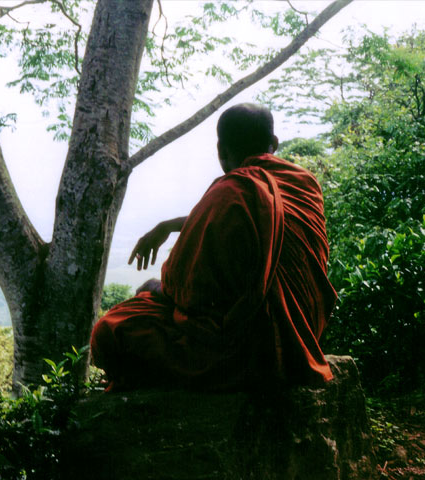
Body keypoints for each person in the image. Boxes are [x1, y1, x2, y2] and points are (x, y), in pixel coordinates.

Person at [90, 103, 336, 392]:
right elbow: (258, 213)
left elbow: (184, 291)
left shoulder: (229, 192)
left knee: (110, 328)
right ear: (275, 143)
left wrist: (154, 287)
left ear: (221, 151)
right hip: (304, 336)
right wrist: (170, 225)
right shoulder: (304, 183)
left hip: (247, 353)